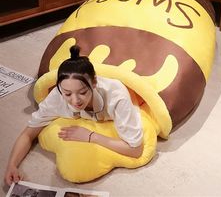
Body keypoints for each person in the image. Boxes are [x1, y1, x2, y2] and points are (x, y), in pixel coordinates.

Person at [4, 45, 143, 186]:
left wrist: (91, 136)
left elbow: (136, 150)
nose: (75, 101)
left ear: (94, 83)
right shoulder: (57, 97)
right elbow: (28, 134)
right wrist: (12, 165)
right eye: (68, 93)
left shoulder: (116, 97)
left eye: (82, 92)